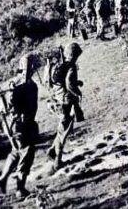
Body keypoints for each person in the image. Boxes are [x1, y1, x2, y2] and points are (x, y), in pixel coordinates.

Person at [0, 53, 40, 197]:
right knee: (27, 151)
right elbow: (15, 103)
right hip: (21, 124)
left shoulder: (13, 82)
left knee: (16, 152)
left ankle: (2, 179)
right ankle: (20, 188)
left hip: (11, 125)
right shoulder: (24, 85)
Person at [46, 43, 84, 172]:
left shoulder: (58, 66)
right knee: (65, 130)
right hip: (66, 102)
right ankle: (57, 160)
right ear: (75, 55)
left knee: (62, 127)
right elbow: (69, 84)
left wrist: (76, 83)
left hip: (57, 101)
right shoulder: (71, 66)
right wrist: (78, 93)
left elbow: (60, 83)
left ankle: (52, 150)